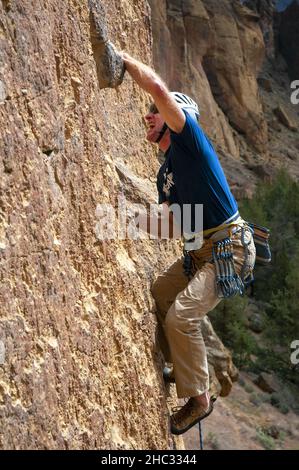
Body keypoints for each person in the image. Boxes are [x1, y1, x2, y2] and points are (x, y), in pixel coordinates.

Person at [120, 51, 256, 435]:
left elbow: (159, 88)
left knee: (183, 315)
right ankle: (177, 367)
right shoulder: (169, 173)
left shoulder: (191, 143)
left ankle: (199, 399)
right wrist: (127, 219)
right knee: (162, 293)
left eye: (155, 111)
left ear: (176, 118)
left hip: (229, 248)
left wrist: (123, 59)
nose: (148, 115)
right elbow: (170, 225)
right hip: (201, 250)